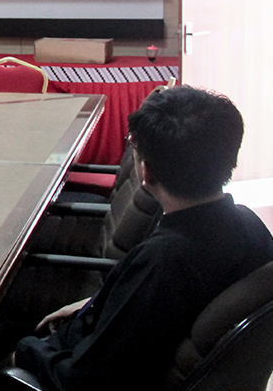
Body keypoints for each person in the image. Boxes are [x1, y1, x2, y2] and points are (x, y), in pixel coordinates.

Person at [14, 85, 273, 391]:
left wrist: (26, 348)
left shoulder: (163, 262)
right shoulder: (250, 225)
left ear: (145, 171)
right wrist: (97, 302)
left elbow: (85, 381)